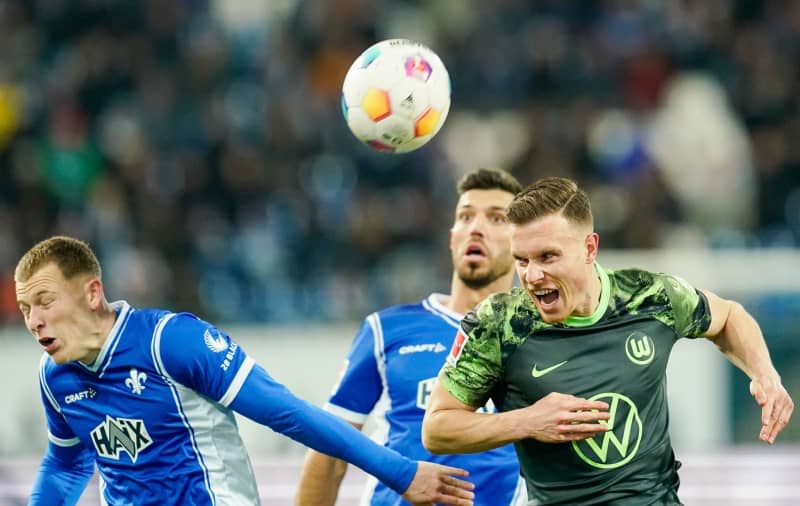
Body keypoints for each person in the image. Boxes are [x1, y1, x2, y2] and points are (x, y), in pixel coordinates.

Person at [15, 236, 476, 506]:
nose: (33, 321)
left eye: (45, 302)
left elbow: (287, 413)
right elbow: (66, 463)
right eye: (24, 308)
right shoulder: (55, 377)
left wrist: (400, 472)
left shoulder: (170, 342)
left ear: (92, 293)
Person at [421, 176, 795, 505]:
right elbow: (437, 428)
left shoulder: (648, 297)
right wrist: (528, 421)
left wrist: (765, 375)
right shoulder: (500, 324)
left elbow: (728, 316)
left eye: (548, 257)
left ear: (589, 248)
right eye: (521, 260)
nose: (532, 275)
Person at [295, 168, 527, 506]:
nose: (475, 227)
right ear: (452, 236)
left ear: (521, 242)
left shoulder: (540, 337)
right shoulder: (386, 330)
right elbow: (329, 454)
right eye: (465, 216)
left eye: (496, 218)